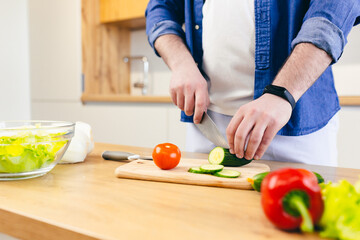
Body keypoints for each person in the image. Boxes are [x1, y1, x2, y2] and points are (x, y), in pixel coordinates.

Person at [145, 0, 360, 166]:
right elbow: (160, 8)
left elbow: (335, 8)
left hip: (296, 121)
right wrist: (181, 63)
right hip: (207, 123)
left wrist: (282, 92)